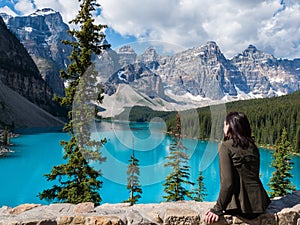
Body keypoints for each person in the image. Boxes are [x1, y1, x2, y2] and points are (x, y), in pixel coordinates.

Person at [205, 112, 271, 224]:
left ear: (230, 126)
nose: (223, 128)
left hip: (239, 207)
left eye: (224, 125)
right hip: (260, 204)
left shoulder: (225, 146)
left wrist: (217, 209)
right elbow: (253, 175)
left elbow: (227, 182)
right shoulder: (253, 146)